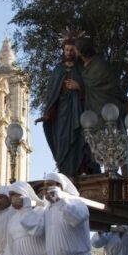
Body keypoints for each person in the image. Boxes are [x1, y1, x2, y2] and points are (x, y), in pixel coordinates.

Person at [72, 36, 128, 176]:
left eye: (76, 48)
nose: (74, 50)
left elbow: (113, 86)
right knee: (97, 138)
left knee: (115, 136)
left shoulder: (100, 66)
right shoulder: (84, 66)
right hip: (94, 107)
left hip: (107, 106)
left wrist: (79, 86)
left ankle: (124, 171)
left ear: (81, 51)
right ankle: (108, 169)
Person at [35, 36, 91, 177]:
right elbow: (52, 94)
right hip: (62, 113)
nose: (69, 53)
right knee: (63, 142)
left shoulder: (83, 68)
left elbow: (93, 88)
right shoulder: (58, 70)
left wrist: (79, 87)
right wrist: (48, 113)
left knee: (80, 139)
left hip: (79, 109)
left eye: (72, 50)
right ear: (63, 51)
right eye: (66, 50)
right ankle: (65, 172)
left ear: (77, 51)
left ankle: (81, 170)